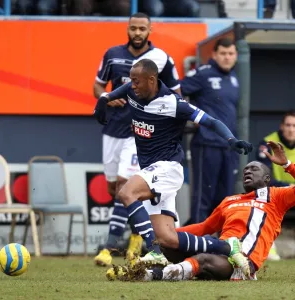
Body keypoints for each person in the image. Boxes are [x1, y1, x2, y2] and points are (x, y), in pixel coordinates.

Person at [94, 58, 253, 269]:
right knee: (168, 238)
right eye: (131, 81)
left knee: (126, 193)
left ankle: (154, 252)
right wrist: (104, 99)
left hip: (168, 168)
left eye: (136, 81)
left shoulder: (173, 103)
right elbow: (119, 91)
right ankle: (227, 247)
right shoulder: (134, 90)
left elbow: (211, 121)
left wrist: (231, 140)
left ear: (151, 79)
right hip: (151, 171)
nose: (132, 85)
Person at [108, 141, 295, 282]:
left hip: (243, 262)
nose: (247, 172)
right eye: (245, 169)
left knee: (204, 259)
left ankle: (150, 275)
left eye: (254, 169)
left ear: (267, 178)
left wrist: (287, 164)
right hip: (219, 251)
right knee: (168, 246)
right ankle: (158, 268)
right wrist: (167, 236)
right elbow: (204, 227)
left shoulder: (277, 196)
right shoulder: (230, 200)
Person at [93, 12, 181, 267]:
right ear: (128, 29)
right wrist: (107, 97)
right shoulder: (112, 54)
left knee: (125, 186)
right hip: (113, 130)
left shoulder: (161, 60)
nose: (138, 33)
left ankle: (109, 249)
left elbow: (176, 94)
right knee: (114, 189)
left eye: (142, 28)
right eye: (134, 28)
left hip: (140, 132)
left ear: (150, 30)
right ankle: (135, 240)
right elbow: (98, 87)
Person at [180, 37, 239, 225]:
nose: (227, 58)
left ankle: (222, 245)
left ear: (236, 55)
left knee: (225, 199)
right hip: (207, 144)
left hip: (228, 147)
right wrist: (191, 117)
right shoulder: (203, 74)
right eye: (223, 53)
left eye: (231, 54)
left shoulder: (235, 77)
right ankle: (198, 247)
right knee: (203, 198)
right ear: (214, 54)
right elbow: (177, 91)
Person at [257, 110, 295, 261]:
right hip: (276, 193)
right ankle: (268, 247)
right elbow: (265, 178)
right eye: (288, 125)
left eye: (294, 125)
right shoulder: (268, 143)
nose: (291, 129)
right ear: (281, 126)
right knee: (260, 195)